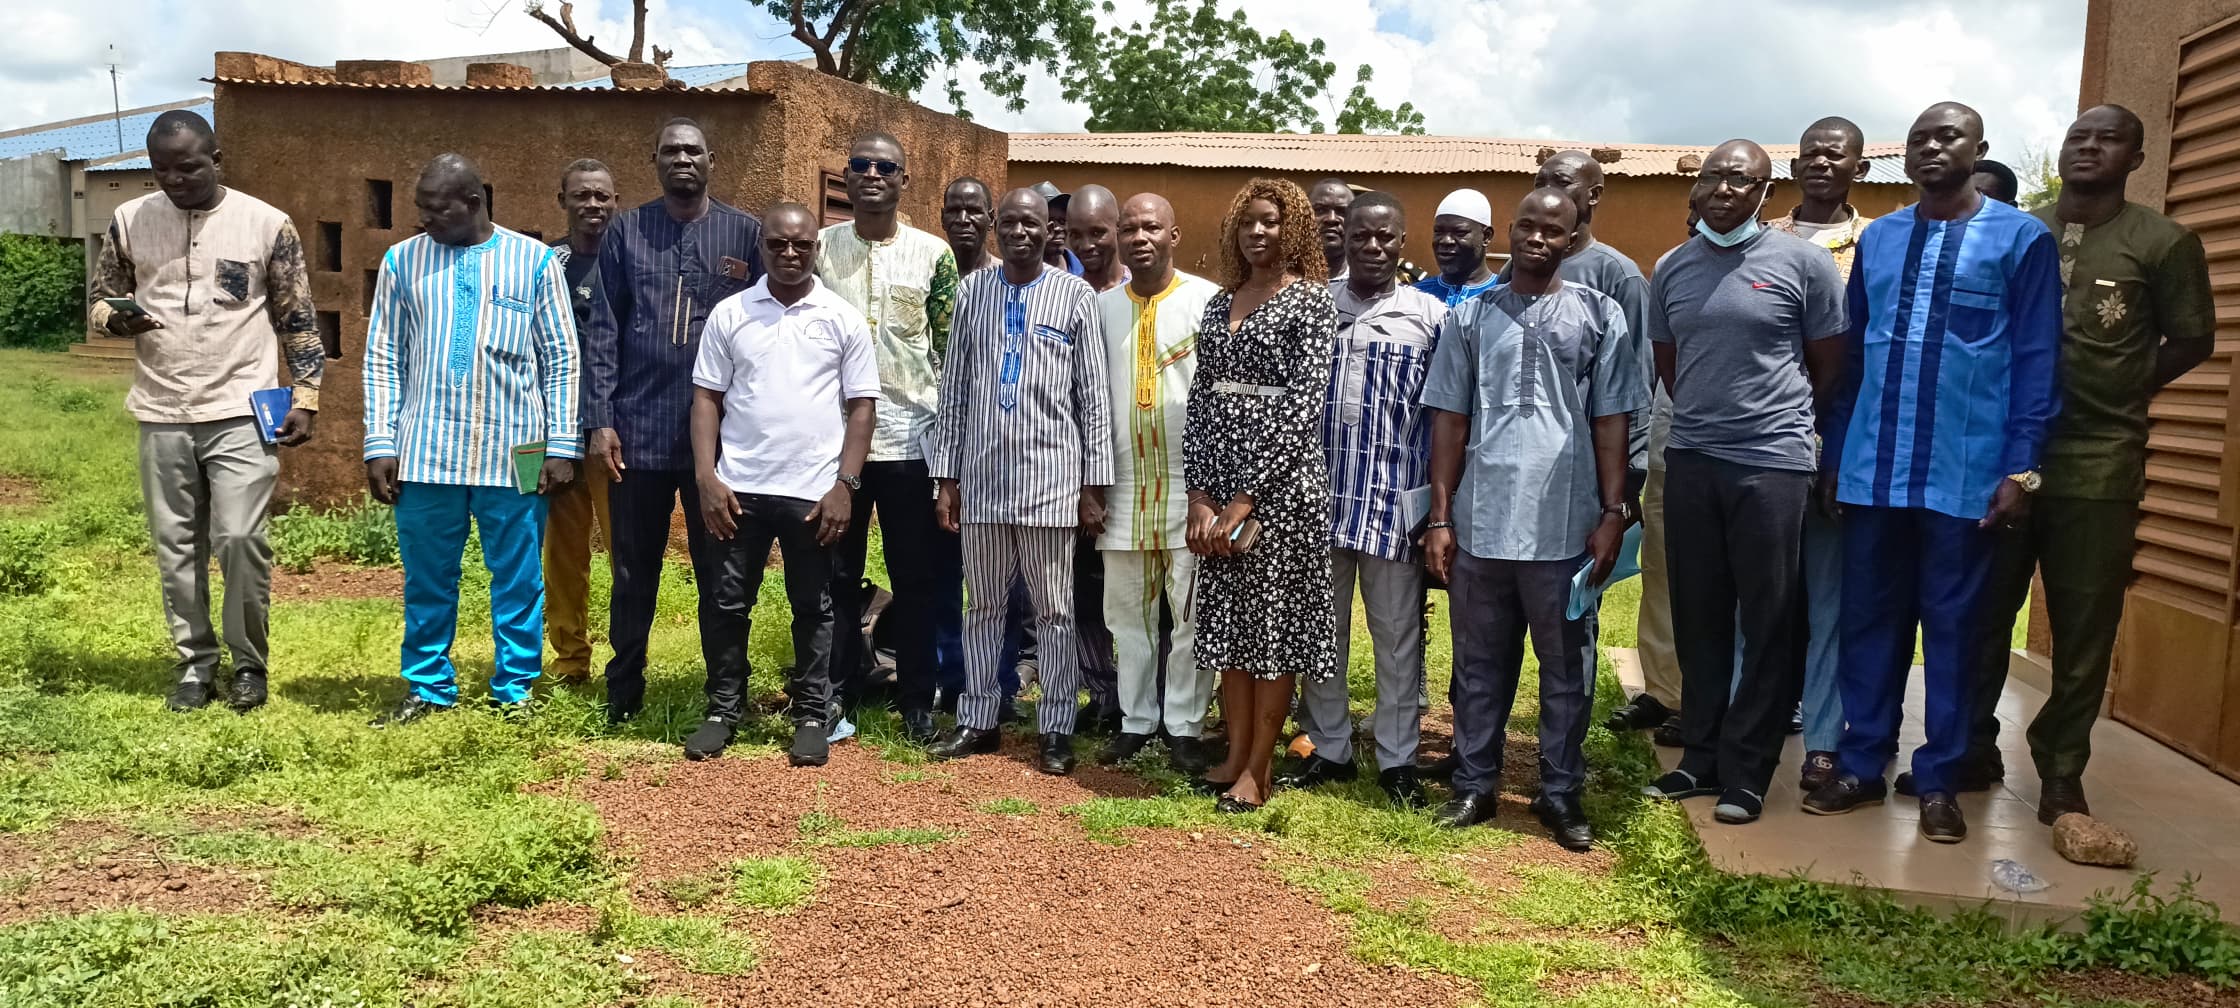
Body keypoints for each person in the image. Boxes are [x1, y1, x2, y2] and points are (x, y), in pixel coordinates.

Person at [1806, 102, 2062, 846]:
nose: (1930, 148)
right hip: (1875, 469)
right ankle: (1861, 763)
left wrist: (2022, 467)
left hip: (1966, 475)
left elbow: (2037, 359)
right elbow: (1854, 355)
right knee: (1869, 623)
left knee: (1955, 630)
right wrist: (1836, 452)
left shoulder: (2022, 239)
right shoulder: (1881, 239)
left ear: (1978, 149)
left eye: (1947, 137)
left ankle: (1942, 778)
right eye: (1919, 138)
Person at [1963, 104, 2213, 822]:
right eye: (2079, 137)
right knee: (1982, 612)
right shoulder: (2017, 230)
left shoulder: (2163, 242)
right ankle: (1972, 746)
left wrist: (2127, 386)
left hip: (2099, 460)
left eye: (2109, 140)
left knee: (2083, 627)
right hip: (2004, 457)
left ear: (2136, 159)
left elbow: (2193, 339)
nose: (2089, 148)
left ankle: (2061, 768)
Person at [1422, 188, 1642, 850]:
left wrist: (1613, 513)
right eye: (1527, 226)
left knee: (1567, 669)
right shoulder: (1470, 317)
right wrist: (1440, 518)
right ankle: (1474, 784)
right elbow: (1450, 421)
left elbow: (1612, 421)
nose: (1538, 238)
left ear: (1573, 239)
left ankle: (1559, 791)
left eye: (1554, 229)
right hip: (1482, 521)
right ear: (1509, 232)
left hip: (1565, 527)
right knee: (1478, 665)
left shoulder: (1599, 314)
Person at [1638, 141, 1847, 826]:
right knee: (1698, 614)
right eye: (1714, 177)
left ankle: (1749, 772)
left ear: (1766, 192)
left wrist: (1775, 423)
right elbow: (1671, 363)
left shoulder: (1805, 264)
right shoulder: (1672, 268)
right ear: (1696, 188)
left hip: (1772, 465)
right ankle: (1700, 758)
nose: (1725, 189)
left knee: (1767, 620)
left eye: (1742, 179)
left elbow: (1827, 363)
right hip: (1693, 458)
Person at [89, 109, 322, 714]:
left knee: (239, 537)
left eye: (188, 167)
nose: (175, 179)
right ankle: (195, 666)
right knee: (176, 546)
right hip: (161, 408)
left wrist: (307, 396)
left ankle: (249, 666)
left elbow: (297, 317)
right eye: (162, 169)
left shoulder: (266, 223)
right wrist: (117, 320)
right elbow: (100, 300)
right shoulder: (129, 219)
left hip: (240, 408)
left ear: (217, 161)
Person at [363, 154, 578, 726]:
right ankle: (428, 685)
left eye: (438, 209)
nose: (425, 220)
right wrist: (380, 441)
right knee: (428, 577)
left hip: (520, 449)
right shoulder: (402, 262)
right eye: (421, 209)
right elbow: (383, 356)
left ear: (474, 203)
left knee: (520, 576)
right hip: (424, 449)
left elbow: (561, 359)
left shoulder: (533, 262)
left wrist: (562, 446)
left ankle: (516, 688)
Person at [581, 118, 764, 729]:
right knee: (633, 570)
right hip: (639, 431)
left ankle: (725, 695)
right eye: (670, 151)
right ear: (654, 161)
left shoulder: (744, 232)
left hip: (721, 442)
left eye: (692, 150)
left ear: (712, 160)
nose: (682, 159)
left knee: (721, 573)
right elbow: (604, 329)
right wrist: (600, 420)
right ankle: (623, 692)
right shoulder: (626, 231)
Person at [925, 188, 1113, 775]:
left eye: (1030, 222)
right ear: (994, 227)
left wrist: (1093, 485)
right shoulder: (972, 293)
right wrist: (946, 476)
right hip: (982, 482)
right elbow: (955, 389)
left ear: (1046, 230)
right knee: (982, 605)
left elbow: (1093, 396)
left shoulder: (1075, 296)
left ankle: (1055, 726)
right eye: (1008, 222)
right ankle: (978, 718)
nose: (1019, 232)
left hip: (1051, 483)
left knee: (1054, 610)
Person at [693, 203, 880, 765]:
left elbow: (862, 407)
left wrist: (845, 485)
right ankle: (723, 709)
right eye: (778, 244)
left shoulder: (841, 318)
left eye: (801, 244)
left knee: (815, 607)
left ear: (816, 249)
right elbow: (706, 398)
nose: (790, 253)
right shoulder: (731, 314)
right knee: (726, 603)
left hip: (813, 494)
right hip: (738, 489)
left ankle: (812, 714)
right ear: (762, 248)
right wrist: (706, 477)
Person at [1183, 177, 1338, 813]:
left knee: (1271, 632)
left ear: (1291, 227)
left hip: (1281, 492)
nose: (1257, 231)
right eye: (1247, 221)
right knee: (1229, 626)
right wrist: (1200, 495)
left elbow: (1303, 409)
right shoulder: (1220, 304)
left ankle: (1259, 769)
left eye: (1270, 220)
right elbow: (1200, 402)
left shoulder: (1311, 303)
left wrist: (1246, 497)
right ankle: (1234, 754)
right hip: (1219, 487)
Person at [1290, 191, 1448, 807]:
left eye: (1386, 237)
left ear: (1402, 242)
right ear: (1344, 238)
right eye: (1362, 236)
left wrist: (1439, 510)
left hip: (1392, 504)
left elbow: (1446, 417)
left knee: (1397, 638)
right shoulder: (1314, 307)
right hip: (1319, 498)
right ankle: (1330, 749)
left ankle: (1397, 760)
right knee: (1320, 632)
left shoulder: (1430, 315)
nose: (1373, 247)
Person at [815, 132, 960, 744]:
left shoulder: (933, 256)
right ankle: (836, 691)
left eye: (885, 167)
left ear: (904, 180)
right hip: (837, 445)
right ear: (846, 178)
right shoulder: (819, 249)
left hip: (911, 441)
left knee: (915, 577)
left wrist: (949, 457)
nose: (872, 174)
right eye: (860, 165)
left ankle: (917, 700)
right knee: (837, 574)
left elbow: (950, 358)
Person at [1761, 117, 1877, 791]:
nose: (1821, 163)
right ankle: (1747, 731)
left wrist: (1838, 445)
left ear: (1860, 168)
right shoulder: (1762, 237)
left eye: (1836, 155)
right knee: (1758, 601)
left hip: (1839, 441)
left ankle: (1825, 740)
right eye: (1810, 154)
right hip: (1762, 443)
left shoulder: (1877, 243)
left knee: (1831, 600)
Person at [1094, 192, 1219, 773]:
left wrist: (1212, 491)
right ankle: (1136, 720)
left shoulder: (1207, 303)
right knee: (1127, 615)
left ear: (1175, 235)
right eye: (1129, 229)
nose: (1139, 237)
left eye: (1151, 227)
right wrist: (1089, 484)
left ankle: (1185, 726)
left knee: (1189, 613)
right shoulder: (1101, 309)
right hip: (1121, 484)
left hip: (1189, 488)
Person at [544, 157, 618, 686]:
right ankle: (570, 660)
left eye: (602, 196)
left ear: (615, 203)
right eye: (581, 195)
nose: (593, 204)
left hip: (613, 435)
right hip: (550, 435)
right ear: (562, 201)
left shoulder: (628, 262)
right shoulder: (546, 266)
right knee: (560, 555)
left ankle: (629, 659)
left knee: (625, 553)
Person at [1063, 184, 1127, 731]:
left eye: (1098, 232)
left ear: (1118, 230)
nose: (1087, 244)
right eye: (1076, 234)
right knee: (1082, 589)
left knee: (1139, 593)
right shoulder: (1059, 294)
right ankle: (1102, 691)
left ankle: (1147, 697)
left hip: (1133, 469)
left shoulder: (1140, 291)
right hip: (1069, 470)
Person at [1414, 189, 1502, 306]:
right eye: (1438, 232)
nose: (1446, 241)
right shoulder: (1415, 297)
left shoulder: (1506, 297)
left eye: (1460, 232)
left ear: (1486, 236)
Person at [942, 177, 999, 274]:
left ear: (991, 219)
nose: (963, 220)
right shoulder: (926, 274)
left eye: (973, 211)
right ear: (942, 218)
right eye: (954, 211)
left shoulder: (1009, 278)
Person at [1031, 181, 1086, 275]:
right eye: (1049, 221)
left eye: (1062, 221)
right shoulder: (1016, 274)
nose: (1058, 228)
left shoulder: (1084, 269)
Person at [1310, 178, 1355, 283]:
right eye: (1320, 210)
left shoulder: (1370, 282)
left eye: (1342, 211)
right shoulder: (1282, 279)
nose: (1331, 219)